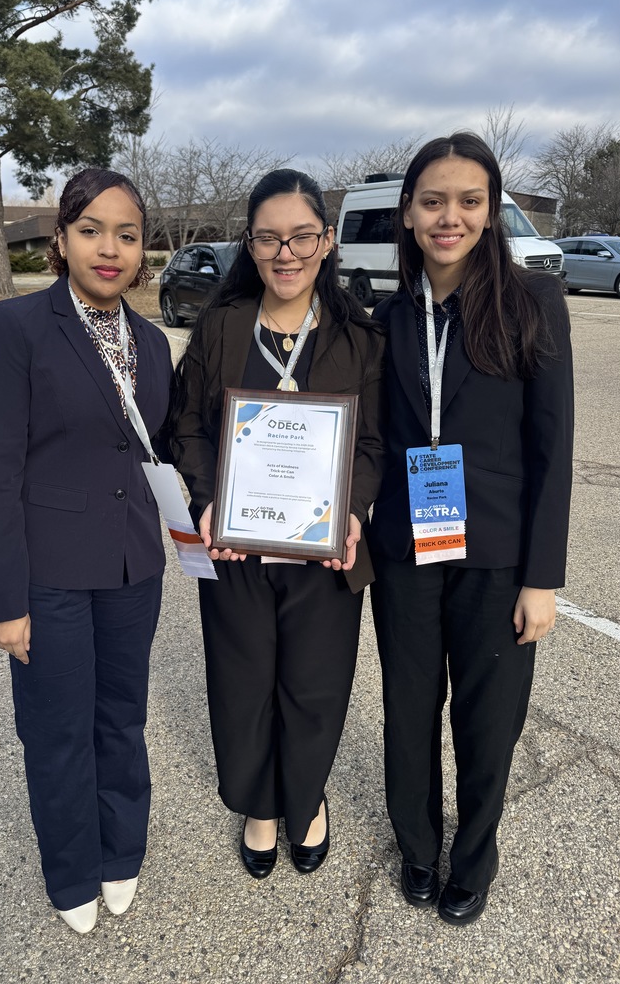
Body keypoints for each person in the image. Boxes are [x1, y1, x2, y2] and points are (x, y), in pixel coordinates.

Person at [367, 133, 573, 925]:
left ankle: (475, 856)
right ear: (408, 214)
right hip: (405, 554)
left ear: (490, 212)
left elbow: (552, 448)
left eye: (468, 201)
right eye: (432, 201)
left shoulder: (533, 303)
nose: (448, 217)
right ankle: (418, 846)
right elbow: (370, 440)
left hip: (497, 558)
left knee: (488, 724)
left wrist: (542, 579)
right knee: (409, 712)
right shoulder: (388, 317)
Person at [0, 169, 173, 933]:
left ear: (142, 249)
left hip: (132, 569)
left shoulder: (152, 343)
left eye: (127, 234)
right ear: (61, 239)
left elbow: (159, 455)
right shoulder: (17, 327)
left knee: (121, 721)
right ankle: (72, 872)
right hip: (49, 573)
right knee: (58, 732)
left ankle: (122, 851)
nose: (109, 249)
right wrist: (4, 601)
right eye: (91, 231)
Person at [171, 169, 384, 878]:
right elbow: (187, 427)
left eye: (300, 237)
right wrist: (208, 498)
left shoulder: (360, 336)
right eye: (268, 239)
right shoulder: (223, 326)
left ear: (327, 241)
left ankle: (306, 796)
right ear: (251, 245)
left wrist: (352, 510)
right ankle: (260, 804)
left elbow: (373, 444)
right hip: (238, 551)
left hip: (323, 557)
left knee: (314, 688)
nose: (285, 253)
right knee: (242, 685)